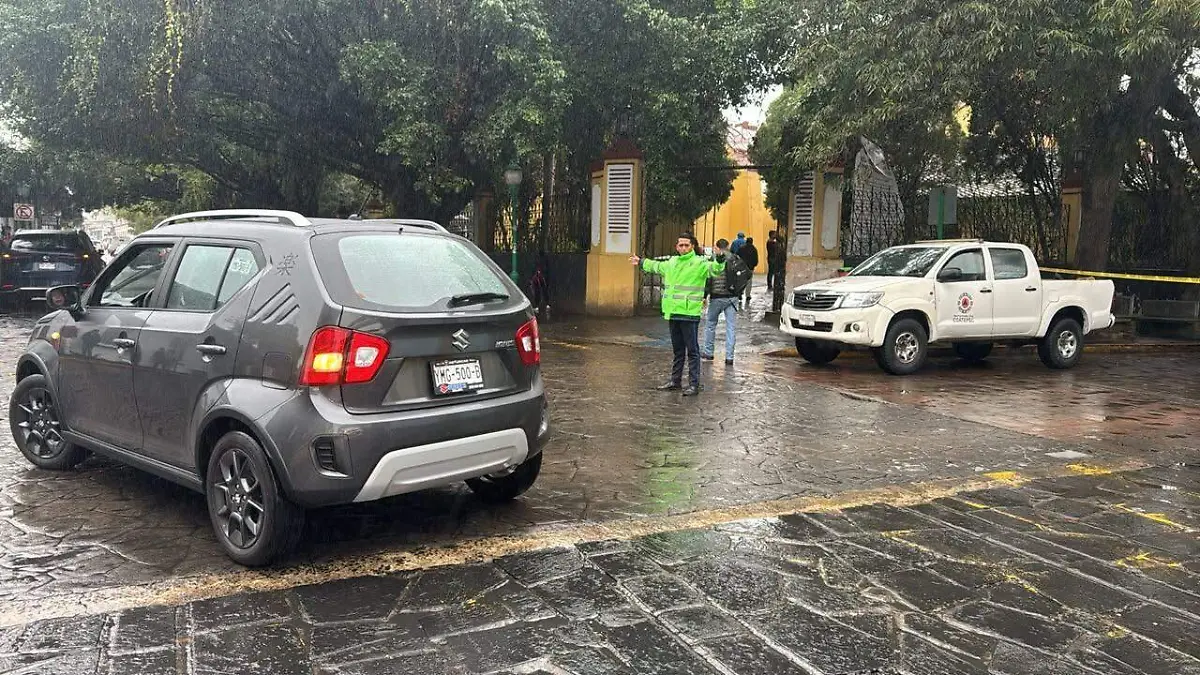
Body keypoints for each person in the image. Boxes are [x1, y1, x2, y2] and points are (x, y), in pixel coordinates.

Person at [630, 234, 725, 396]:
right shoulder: (672, 262)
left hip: (689, 313)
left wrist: (720, 259)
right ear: (676, 247)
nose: (683, 248)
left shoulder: (700, 263)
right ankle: (676, 381)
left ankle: (694, 384)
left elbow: (715, 270)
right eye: (680, 245)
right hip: (673, 312)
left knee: (692, 350)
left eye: (686, 245)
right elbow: (656, 266)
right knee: (678, 350)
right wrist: (641, 262)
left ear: (692, 246)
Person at [702, 239, 739, 365]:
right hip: (732, 298)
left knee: (711, 324)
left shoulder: (713, 260)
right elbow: (746, 275)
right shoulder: (735, 258)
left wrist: (704, 295)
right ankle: (729, 357)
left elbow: (707, 279)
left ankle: (708, 353)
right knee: (731, 327)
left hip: (716, 297)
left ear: (716, 247)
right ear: (727, 246)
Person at [738, 236, 759, 307]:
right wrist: (754, 265)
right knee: (749, 281)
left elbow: (738, 256)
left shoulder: (741, 248)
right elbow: (756, 259)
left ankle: (740, 294)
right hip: (750, 268)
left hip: (742, 267)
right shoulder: (754, 249)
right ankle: (748, 295)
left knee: (741, 281)